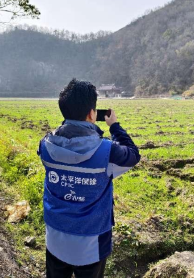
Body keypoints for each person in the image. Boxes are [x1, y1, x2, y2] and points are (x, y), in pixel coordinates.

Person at [38, 79, 140, 278]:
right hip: (91, 246)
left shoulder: (45, 146)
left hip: (55, 238)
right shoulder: (107, 151)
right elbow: (133, 155)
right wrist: (115, 126)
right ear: (92, 114)